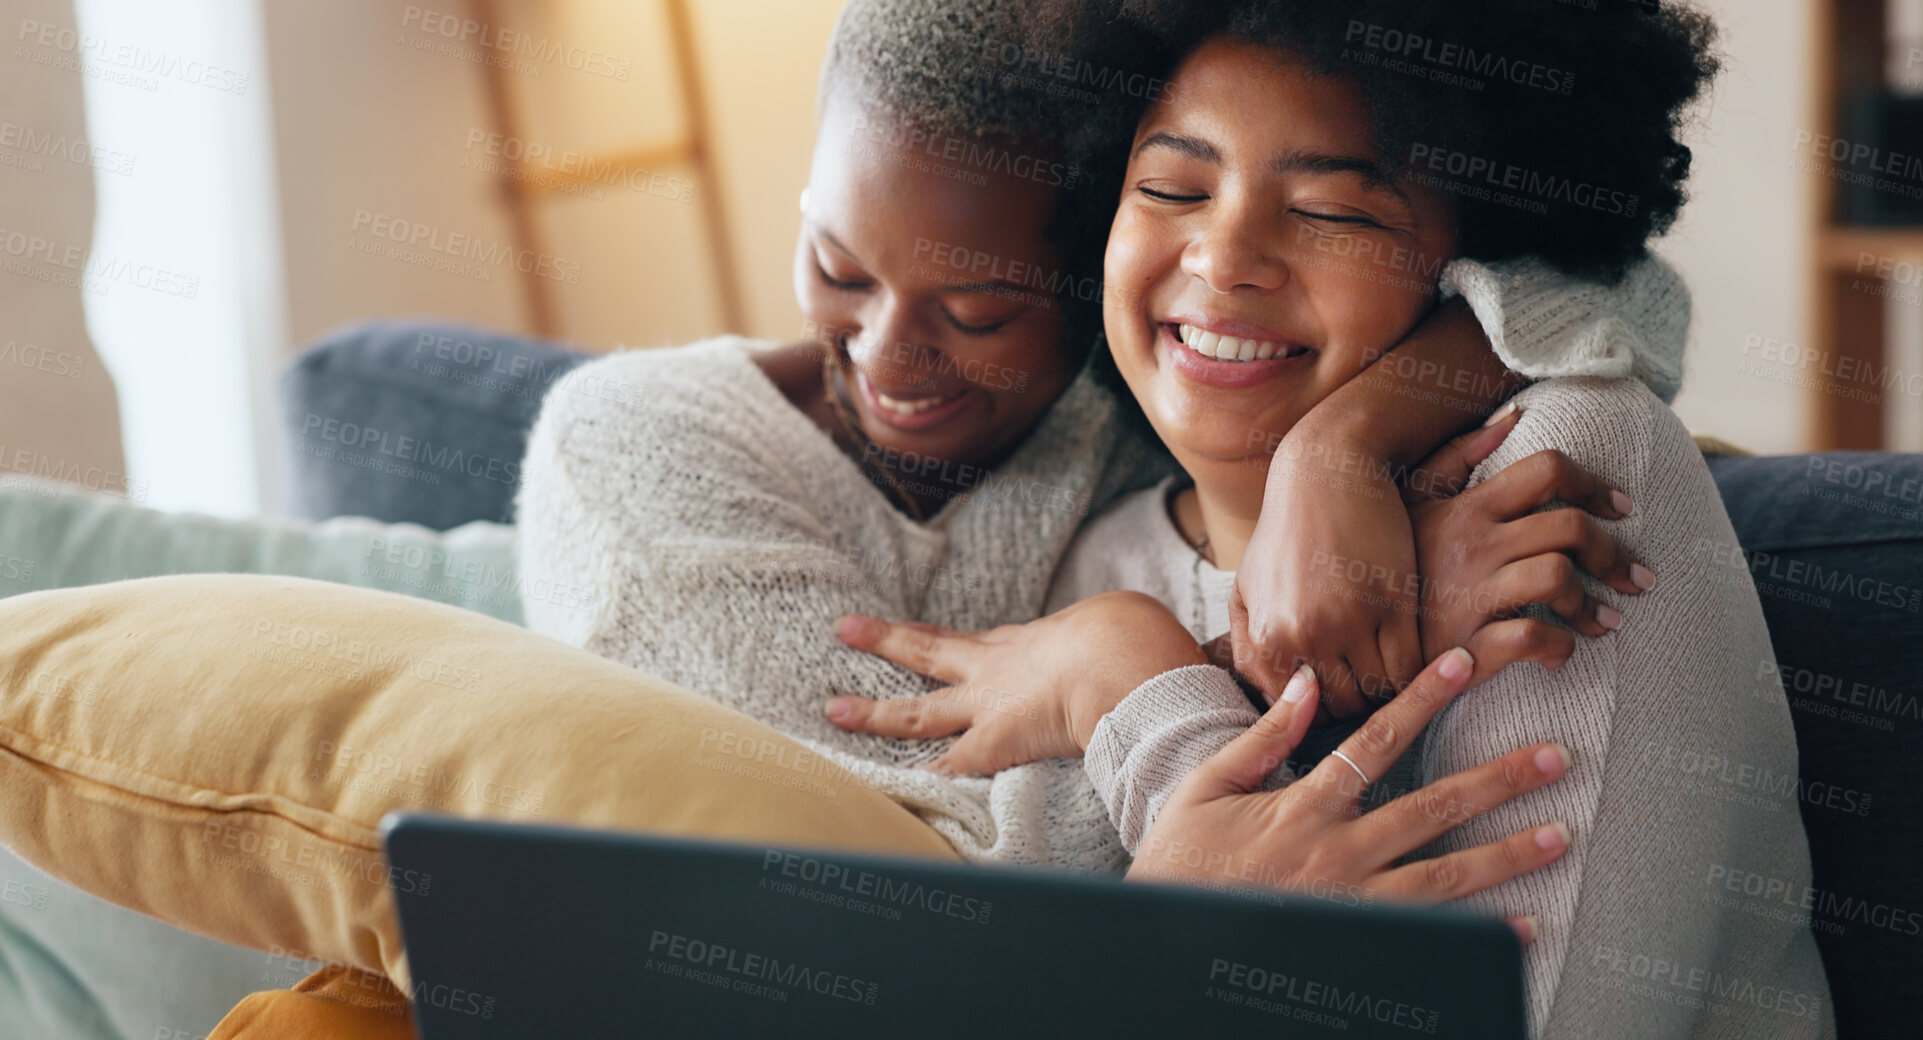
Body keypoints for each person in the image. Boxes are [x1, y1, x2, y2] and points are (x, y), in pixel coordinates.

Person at [825, 2, 1833, 1037]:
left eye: (1336, 212)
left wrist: (1141, 685)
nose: (1224, 258)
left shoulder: (1557, 470)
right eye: (1171, 187)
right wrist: (1124, 657)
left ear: (1479, 252)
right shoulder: (1098, 555)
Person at [517, 0, 1684, 871]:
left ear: (1097, 273)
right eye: (835, 266)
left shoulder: (1127, 405)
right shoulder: (636, 446)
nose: (883, 355)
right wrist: (1132, 664)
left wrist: (1345, 444)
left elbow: (1625, 295)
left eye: (983, 311)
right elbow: (899, 860)